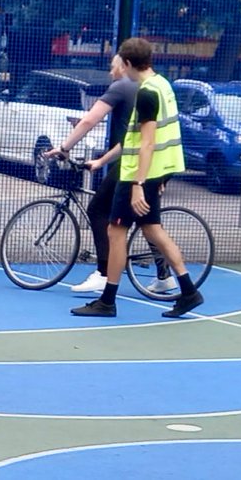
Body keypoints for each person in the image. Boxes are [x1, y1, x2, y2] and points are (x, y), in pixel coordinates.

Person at [71, 37, 205, 319]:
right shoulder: (162, 84)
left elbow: (146, 143)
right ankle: (189, 291)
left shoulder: (146, 93)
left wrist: (138, 186)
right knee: (152, 229)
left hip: (140, 174)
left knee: (115, 232)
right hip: (158, 170)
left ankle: (107, 300)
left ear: (128, 63)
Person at [46, 54, 174, 295]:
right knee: (145, 220)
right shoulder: (154, 86)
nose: (110, 71)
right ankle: (165, 275)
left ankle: (104, 273)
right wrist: (102, 161)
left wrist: (64, 148)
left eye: (113, 65)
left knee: (98, 210)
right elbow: (132, 139)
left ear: (125, 65)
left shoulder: (122, 86)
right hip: (157, 163)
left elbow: (89, 120)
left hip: (135, 165)